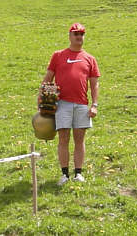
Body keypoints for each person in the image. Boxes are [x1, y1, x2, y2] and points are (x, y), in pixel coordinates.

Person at [38, 22, 101, 185]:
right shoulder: (58, 55)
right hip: (62, 104)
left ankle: (78, 173)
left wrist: (94, 104)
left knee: (80, 139)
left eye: (81, 34)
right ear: (70, 36)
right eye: (76, 34)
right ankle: (64, 174)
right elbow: (47, 79)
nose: (79, 37)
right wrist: (42, 98)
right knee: (63, 138)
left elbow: (94, 84)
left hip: (81, 104)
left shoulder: (90, 58)